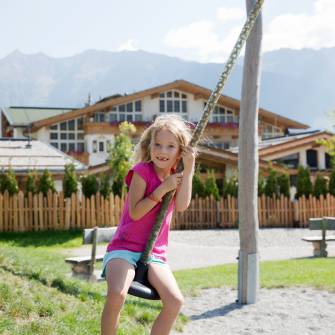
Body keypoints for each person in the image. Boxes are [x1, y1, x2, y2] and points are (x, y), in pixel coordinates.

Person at [101, 114, 196, 335]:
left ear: (180, 152)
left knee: (175, 301)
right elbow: (135, 212)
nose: (162, 151)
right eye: (158, 144)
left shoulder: (177, 176)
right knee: (117, 293)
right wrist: (162, 189)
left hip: (154, 253)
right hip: (124, 248)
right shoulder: (142, 172)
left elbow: (182, 205)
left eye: (170, 146)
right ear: (149, 145)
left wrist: (189, 169)